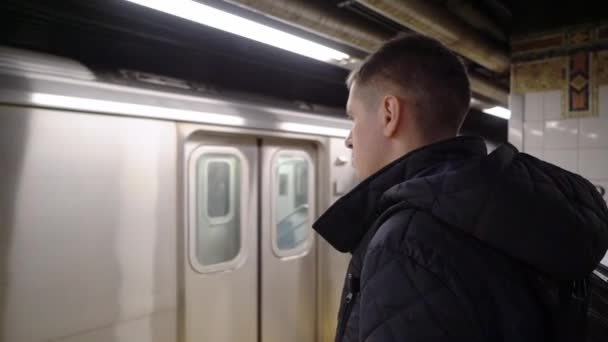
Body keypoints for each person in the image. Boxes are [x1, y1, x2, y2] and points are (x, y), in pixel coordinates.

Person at [313, 33, 608, 342]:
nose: (349, 138)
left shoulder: (406, 242)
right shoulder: (510, 209)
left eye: (354, 117)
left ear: (389, 113)